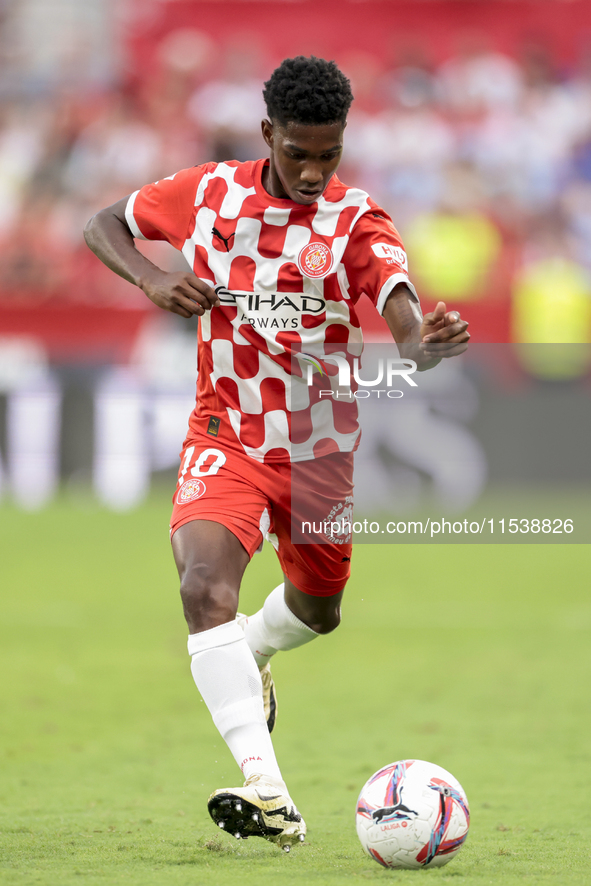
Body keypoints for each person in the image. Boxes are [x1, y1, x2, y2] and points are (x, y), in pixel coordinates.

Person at [84, 56, 469, 852]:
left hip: (318, 450)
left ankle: (252, 652)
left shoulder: (356, 221)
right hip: (225, 431)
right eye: (298, 152)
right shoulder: (207, 194)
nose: (313, 171)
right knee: (202, 586)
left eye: (328, 154)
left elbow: (399, 313)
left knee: (319, 611)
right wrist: (153, 280)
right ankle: (270, 793)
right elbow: (102, 223)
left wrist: (422, 343)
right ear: (268, 134)